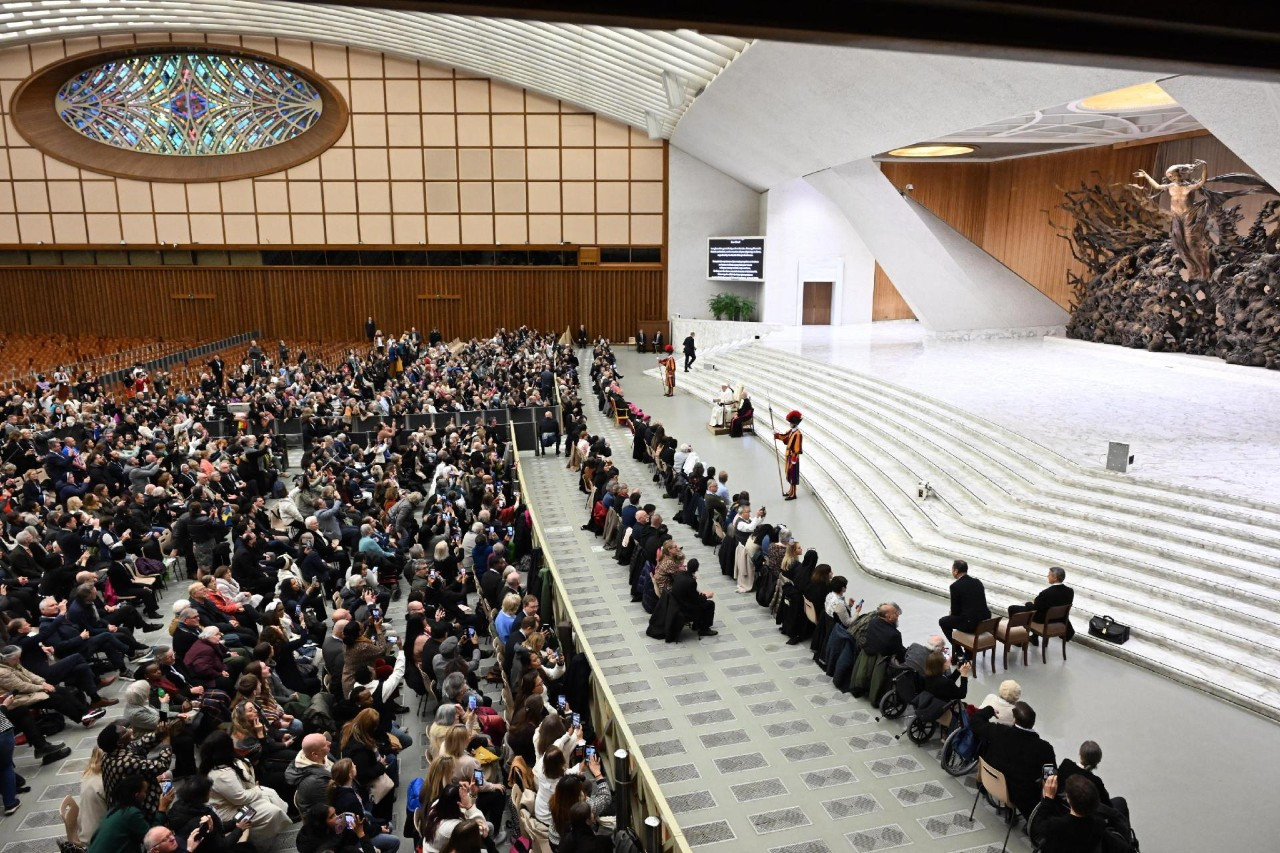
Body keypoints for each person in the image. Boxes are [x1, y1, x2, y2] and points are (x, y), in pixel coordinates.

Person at [200, 730, 293, 852]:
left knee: (270, 793)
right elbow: (241, 798)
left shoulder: (227, 763)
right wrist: (257, 789)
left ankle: (271, 834)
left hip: (237, 800)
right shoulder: (220, 775)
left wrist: (256, 789)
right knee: (272, 811)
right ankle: (258, 844)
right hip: (227, 810)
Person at [971, 701, 1056, 819]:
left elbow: (975, 721)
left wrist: (989, 710)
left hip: (990, 782)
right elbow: (1050, 778)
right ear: (1033, 723)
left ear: (1014, 719)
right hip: (1019, 797)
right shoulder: (1044, 748)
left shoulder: (999, 731)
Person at [87, 774, 173, 853]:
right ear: (137, 795)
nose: (146, 795)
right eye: (145, 791)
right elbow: (152, 838)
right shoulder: (131, 813)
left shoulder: (114, 811)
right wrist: (162, 809)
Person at [1035, 774, 1105, 853]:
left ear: (1068, 799)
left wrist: (1048, 797)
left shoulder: (1056, 826)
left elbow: (1039, 826)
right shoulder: (1100, 824)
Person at [1008, 566, 1075, 644]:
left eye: (1049, 575)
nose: (1047, 576)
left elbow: (1035, 608)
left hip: (1044, 620)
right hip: (1058, 619)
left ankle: (1017, 641)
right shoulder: (1070, 591)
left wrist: (1028, 603)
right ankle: (1034, 638)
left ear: (1055, 578)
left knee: (1012, 608)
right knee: (1042, 610)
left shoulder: (1047, 593)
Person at [938, 559, 990, 654]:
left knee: (943, 622)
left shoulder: (955, 586)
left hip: (971, 624)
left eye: (952, 569)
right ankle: (968, 651)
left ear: (956, 571)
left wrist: (951, 613)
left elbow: (955, 610)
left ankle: (959, 652)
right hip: (984, 621)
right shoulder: (977, 582)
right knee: (963, 617)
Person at [671, 558, 716, 637]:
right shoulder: (691, 582)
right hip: (685, 608)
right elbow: (696, 600)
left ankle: (697, 625)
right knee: (710, 604)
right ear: (697, 569)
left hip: (676, 603)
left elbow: (690, 593)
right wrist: (706, 596)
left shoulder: (679, 574)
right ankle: (704, 629)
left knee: (703, 603)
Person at [772, 410, 803, 500]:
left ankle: (793, 494)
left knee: (793, 475)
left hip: (793, 458)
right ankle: (790, 491)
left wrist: (794, 459)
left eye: (791, 423)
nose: (790, 424)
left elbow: (797, 448)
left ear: (794, 424)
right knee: (789, 474)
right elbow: (785, 438)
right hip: (788, 456)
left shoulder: (798, 434)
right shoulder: (791, 431)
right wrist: (776, 435)